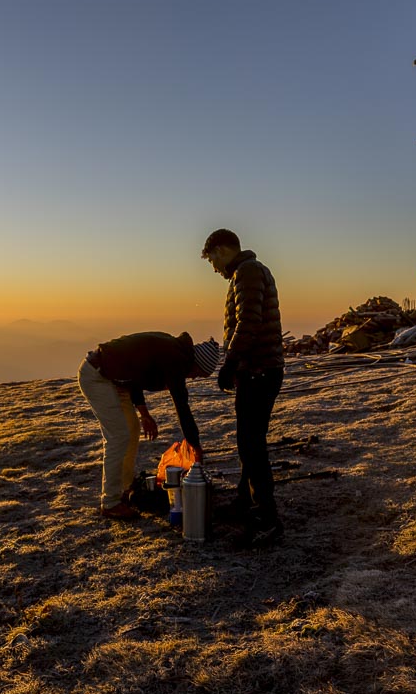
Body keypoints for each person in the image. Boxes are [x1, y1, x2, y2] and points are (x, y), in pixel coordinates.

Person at [200, 228, 285, 547]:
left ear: (223, 251)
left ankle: (267, 516)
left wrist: (231, 363)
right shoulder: (250, 271)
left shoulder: (247, 273)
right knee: (249, 439)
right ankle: (245, 500)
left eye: (212, 261)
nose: (214, 269)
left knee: (251, 443)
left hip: (259, 370)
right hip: (261, 369)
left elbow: (248, 322)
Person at [78, 331, 220, 520]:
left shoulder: (174, 351)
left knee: (132, 430)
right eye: (198, 374)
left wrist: (145, 415)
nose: (193, 378)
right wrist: (195, 444)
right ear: (195, 364)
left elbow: (135, 372)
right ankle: (110, 503)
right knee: (119, 436)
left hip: (115, 379)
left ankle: (126, 487)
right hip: (97, 376)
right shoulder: (175, 359)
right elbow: (181, 404)